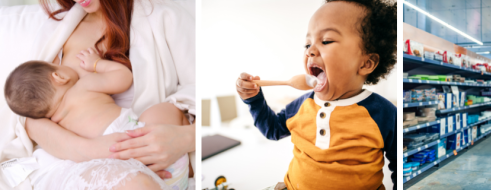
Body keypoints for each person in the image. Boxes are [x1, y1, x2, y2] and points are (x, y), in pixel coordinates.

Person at [2, 1, 196, 188]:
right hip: (71, 159)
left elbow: (199, 89)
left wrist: (183, 138)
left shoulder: (165, 16)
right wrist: (92, 149)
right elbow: (29, 117)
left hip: (143, 144)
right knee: (135, 183)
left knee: (161, 114)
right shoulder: (60, 27)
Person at [234, 0, 396, 189]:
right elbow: (273, 129)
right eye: (307, 44)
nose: (310, 51)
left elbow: (398, 166)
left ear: (366, 63)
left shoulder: (383, 114)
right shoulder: (302, 105)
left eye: (326, 40)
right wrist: (253, 100)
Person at [5, 55, 189, 188]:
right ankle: (183, 171)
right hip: (138, 138)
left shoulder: (56, 122)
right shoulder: (84, 86)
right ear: (59, 77)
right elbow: (123, 77)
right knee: (164, 110)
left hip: (115, 161)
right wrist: (96, 64)